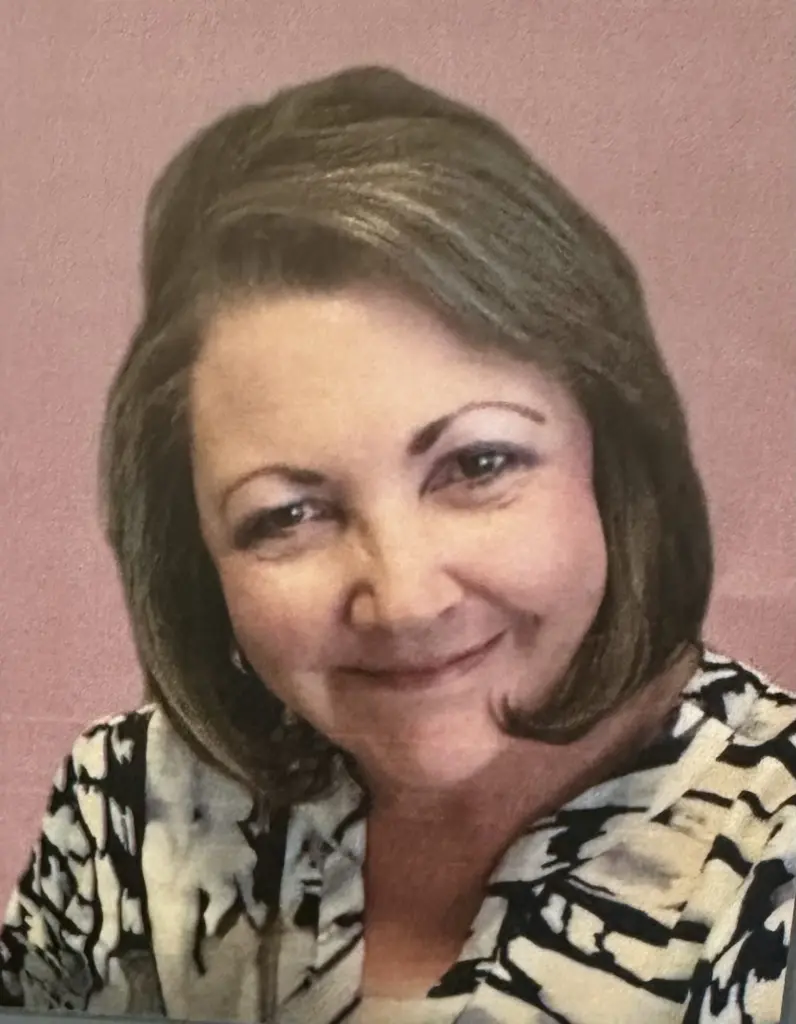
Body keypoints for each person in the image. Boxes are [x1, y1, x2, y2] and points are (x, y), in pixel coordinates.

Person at [1, 65, 793, 1024]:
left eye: (478, 464)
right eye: (287, 515)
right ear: (196, 557)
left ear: (610, 452)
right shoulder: (126, 811)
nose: (407, 599)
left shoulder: (774, 854)